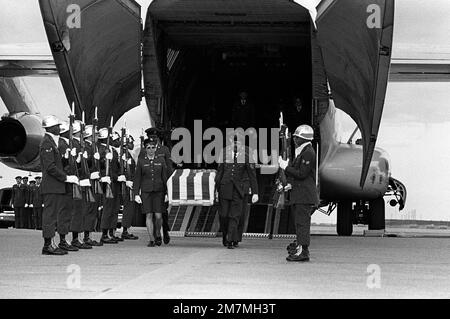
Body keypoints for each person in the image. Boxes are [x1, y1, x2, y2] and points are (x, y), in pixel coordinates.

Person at [278, 124, 319, 262]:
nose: (295, 140)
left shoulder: (308, 153)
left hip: (304, 195)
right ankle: (301, 249)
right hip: (300, 194)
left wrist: (285, 167)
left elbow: (302, 174)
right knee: (300, 224)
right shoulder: (303, 152)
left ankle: (303, 252)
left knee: (302, 224)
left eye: (297, 138)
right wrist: (290, 184)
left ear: (304, 139)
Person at [39, 115, 80, 255]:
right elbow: (50, 167)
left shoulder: (52, 142)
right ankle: (47, 245)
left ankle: (54, 243)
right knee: (50, 216)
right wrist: (66, 178)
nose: (59, 128)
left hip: (57, 186)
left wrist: (66, 158)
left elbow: (56, 163)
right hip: (52, 186)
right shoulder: (47, 143)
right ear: (51, 128)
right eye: (57, 126)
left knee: (55, 215)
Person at [215, 133, 259, 249]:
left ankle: (231, 239)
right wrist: (215, 190)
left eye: (238, 143)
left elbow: (252, 174)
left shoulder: (247, 155)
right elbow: (219, 172)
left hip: (239, 189)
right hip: (225, 188)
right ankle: (226, 235)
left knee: (235, 215)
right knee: (223, 215)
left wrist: (255, 192)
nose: (236, 145)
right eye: (234, 142)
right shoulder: (224, 153)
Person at [134, 137, 169, 247]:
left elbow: (164, 177)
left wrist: (167, 192)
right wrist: (136, 193)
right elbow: (137, 178)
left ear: (156, 148)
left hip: (159, 191)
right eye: (148, 147)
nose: (151, 150)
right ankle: (152, 239)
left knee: (158, 216)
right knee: (148, 215)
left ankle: (158, 233)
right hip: (146, 191)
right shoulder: (141, 161)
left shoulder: (161, 160)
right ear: (145, 149)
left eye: (153, 147)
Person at [142, 127, 173, 244]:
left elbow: (168, 168)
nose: (152, 139)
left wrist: (169, 185)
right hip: (149, 186)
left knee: (162, 212)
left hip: (161, 185)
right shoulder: (145, 149)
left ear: (158, 138)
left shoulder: (164, 150)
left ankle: (164, 231)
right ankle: (155, 235)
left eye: (154, 137)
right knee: (151, 212)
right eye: (150, 137)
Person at [57, 121, 80, 252]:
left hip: (70, 181)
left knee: (68, 212)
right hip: (65, 182)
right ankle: (62, 240)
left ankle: (64, 239)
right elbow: (61, 164)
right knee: (64, 212)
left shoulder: (66, 143)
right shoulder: (61, 144)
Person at [98, 128, 122, 244]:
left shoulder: (113, 150)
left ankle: (111, 232)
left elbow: (116, 168)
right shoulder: (101, 149)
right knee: (108, 208)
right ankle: (104, 233)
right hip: (108, 182)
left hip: (115, 182)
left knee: (115, 208)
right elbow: (101, 168)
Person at [81, 125, 103, 247]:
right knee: (87, 210)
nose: (97, 138)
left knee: (92, 210)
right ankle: (84, 236)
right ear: (89, 136)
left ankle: (88, 235)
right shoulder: (85, 147)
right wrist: (90, 175)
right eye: (95, 135)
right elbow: (83, 167)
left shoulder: (93, 147)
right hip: (88, 182)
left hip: (94, 182)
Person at [120, 134, 139, 240]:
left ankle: (126, 229)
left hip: (130, 183)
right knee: (128, 207)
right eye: (131, 142)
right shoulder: (124, 154)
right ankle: (125, 230)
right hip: (126, 184)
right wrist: (127, 180)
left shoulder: (129, 154)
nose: (132, 144)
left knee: (130, 207)